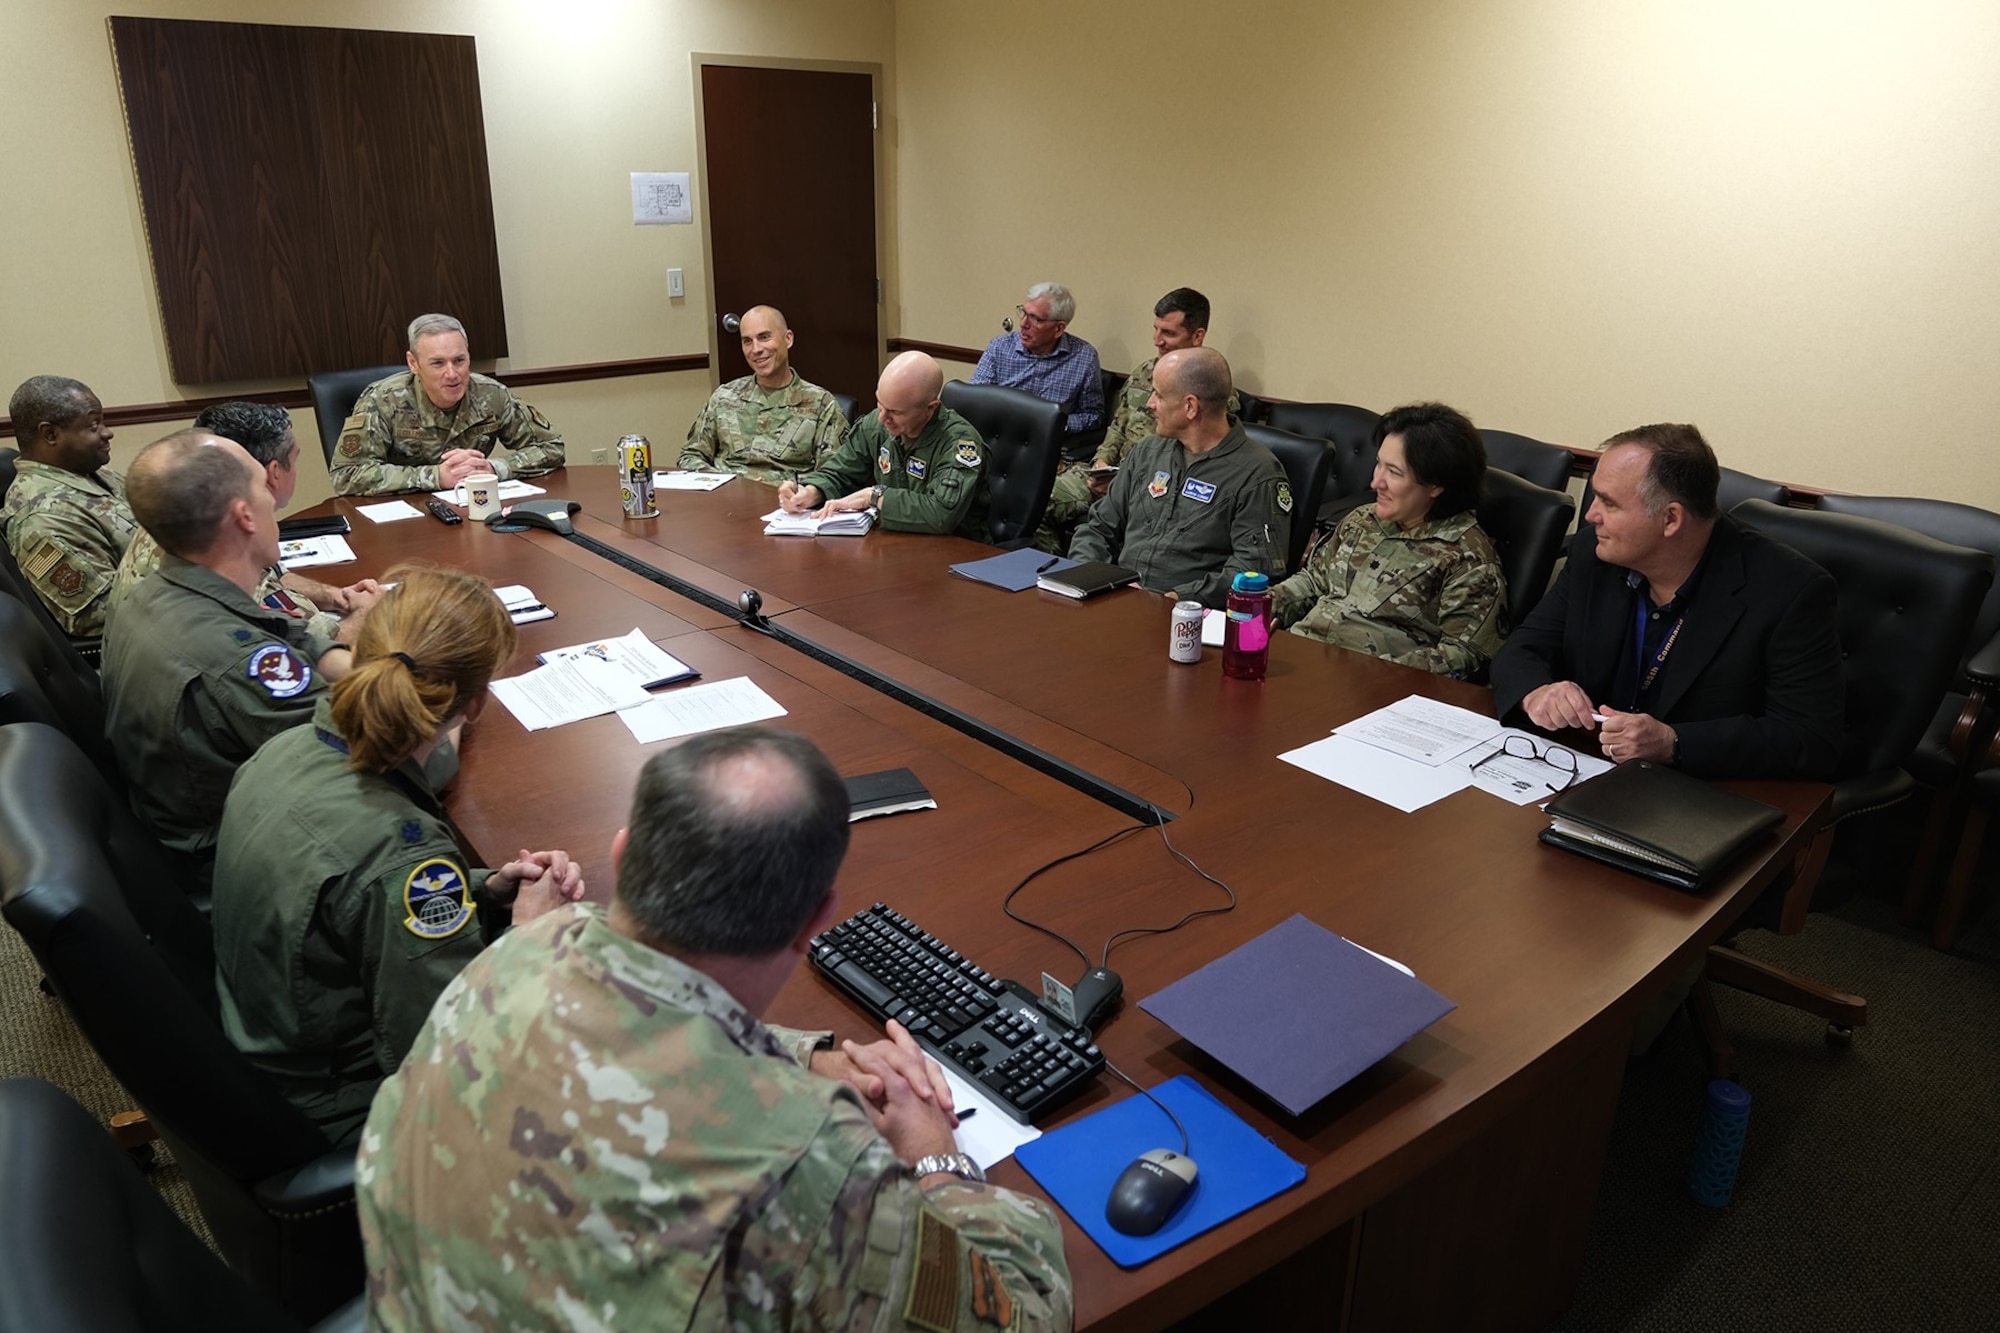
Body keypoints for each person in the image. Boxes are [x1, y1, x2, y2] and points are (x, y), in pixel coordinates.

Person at [357, 727, 1072, 1331]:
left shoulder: (520, 949)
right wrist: (935, 1157)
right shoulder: (811, 1166)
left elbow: (642, 992)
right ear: (817, 922)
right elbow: (1023, 1314)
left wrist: (810, 1056)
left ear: (621, 853)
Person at [212, 564, 582, 1145]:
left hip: (273, 1044)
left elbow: (357, 896)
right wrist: (530, 934)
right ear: (477, 705)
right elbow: (455, 1052)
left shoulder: (286, 747)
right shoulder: (402, 858)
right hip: (349, 1107)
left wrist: (484, 892)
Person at [1490, 423, 1844, 778]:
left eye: (1609, 503)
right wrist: (1537, 692)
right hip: (1585, 771)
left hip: (1703, 794)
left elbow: (1808, 739)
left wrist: (1674, 742)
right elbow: (1523, 648)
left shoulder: (1789, 591)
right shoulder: (1594, 555)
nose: (1591, 515)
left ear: (1671, 518)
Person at [102, 431, 360, 887]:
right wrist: (450, 682)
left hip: (197, 811)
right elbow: (382, 760)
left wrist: (358, 664)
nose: (274, 498)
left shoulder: (158, 590)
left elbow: (286, 637)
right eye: (264, 485)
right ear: (244, 516)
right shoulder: (235, 660)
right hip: (246, 858)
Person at [108, 400, 383, 638]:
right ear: (273, 473)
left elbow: (274, 578)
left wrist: (336, 597)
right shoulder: (226, 552)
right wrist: (369, 613)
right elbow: (325, 650)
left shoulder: (185, 510)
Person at [1272, 402, 1507, 679]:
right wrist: (1264, 603)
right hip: (1301, 658)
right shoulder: (1362, 520)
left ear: (1436, 485)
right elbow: (1315, 581)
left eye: (1393, 472)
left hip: (1368, 686)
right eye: (1378, 464)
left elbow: (1465, 656)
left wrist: (1383, 673)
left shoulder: (1466, 559)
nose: (1375, 482)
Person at [1069, 346, 1291, 606]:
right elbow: (1097, 528)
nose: (1150, 404)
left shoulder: (1257, 475)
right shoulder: (1148, 452)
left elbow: (1254, 570)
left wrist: (1180, 598)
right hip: (1116, 599)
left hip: (1187, 617)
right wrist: (1092, 577)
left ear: (1190, 407)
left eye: (1159, 395)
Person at [1040, 287, 1240, 548]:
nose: (1157, 340)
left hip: (1154, 488)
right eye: (1156, 329)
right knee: (1036, 502)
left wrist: (1123, 481)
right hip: (1107, 476)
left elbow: (1198, 461)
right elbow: (1117, 427)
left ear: (1197, 336)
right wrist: (1101, 461)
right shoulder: (1144, 372)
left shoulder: (1211, 391)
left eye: (1168, 333)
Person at [329, 313, 565, 495]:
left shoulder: (491, 395)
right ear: (413, 363)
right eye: (438, 363)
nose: (452, 374)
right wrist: (434, 477)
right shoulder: (383, 401)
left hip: (472, 507)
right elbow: (346, 474)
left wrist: (494, 468)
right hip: (404, 521)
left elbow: (552, 448)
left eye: (459, 360)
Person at [777, 351, 990, 538]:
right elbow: (841, 471)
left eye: (895, 412)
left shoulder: (960, 444)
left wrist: (875, 497)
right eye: (880, 404)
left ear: (930, 408)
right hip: (895, 543)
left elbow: (940, 514)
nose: (882, 418)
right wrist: (812, 490)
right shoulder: (877, 425)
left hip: (957, 553)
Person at [1, 375, 137, 649]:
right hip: (142, 648)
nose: (107, 432)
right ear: (50, 434)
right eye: (93, 424)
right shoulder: (42, 518)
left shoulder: (94, 473)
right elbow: (97, 616)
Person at [676, 304, 849, 483]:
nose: (756, 349)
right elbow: (690, 456)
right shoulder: (724, 397)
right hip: (726, 500)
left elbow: (833, 477)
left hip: (786, 503)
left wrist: (801, 495)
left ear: (788, 339)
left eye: (764, 337)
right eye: (747, 341)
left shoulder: (821, 404)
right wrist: (720, 483)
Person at [971, 281, 1105, 447]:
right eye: (1024, 313)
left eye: (1035, 318)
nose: (1023, 324)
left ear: (1058, 329)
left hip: (1048, 445)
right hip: (997, 439)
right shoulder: (1000, 347)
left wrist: (1054, 424)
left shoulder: (1084, 357)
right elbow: (975, 399)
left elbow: (1093, 415)